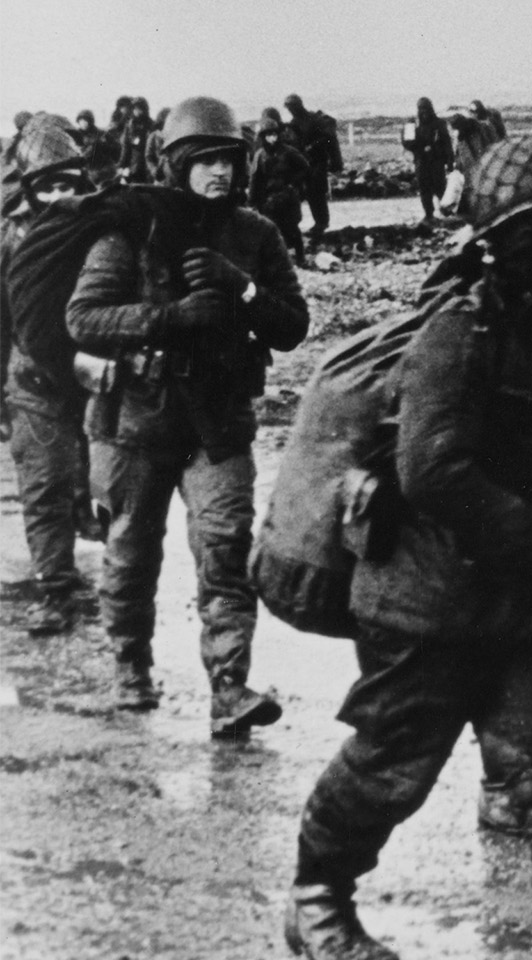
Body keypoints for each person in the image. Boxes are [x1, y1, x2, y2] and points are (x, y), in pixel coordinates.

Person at [287, 136, 532, 960]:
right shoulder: (458, 330)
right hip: (427, 601)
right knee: (390, 767)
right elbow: (432, 470)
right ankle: (318, 904)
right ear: (508, 242)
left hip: (529, 601)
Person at [65, 96, 306, 734]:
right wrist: (165, 318)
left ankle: (229, 689)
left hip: (216, 427)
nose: (218, 173)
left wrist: (241, 286)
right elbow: (82, 317)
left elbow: (293, 327)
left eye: (227, 160)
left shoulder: (256, 234)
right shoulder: (135, 228)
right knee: (130, 553)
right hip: (135, 425)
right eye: (203, 162)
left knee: (226, 552)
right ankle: (130, 672)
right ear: (176, 165)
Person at [1, 115, 99, 635]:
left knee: (101, 480)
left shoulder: (100, 228)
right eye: (49, 186)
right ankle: (55, 589)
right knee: (42, 488)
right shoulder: (9, 237)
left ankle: (86, 517)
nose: (60, 195)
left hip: (94, 377)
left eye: (69, 185)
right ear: (30, 190)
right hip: (33, 380)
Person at [249, 109, 311, 262]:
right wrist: (252, 201)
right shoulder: (259, 156)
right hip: (270, 200)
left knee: (293, 229)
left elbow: (305, 168)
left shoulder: (289, 152)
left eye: (275, 134)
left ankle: (300, 258)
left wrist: (292, 185)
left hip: (288, 197)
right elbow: (255, 179)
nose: (273, 138)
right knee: (271, 231)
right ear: (263, 137)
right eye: (269, 135)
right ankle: (277, 261)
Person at [283, 94, 342, 238]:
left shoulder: (315, 119)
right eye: (289, 108)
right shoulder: (294, 122)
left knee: (317, 191)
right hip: (305, 163)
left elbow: (329, 139)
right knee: (309, 193)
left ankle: (322, 223)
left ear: (299, 105)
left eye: (292, 107)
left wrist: (333, 159)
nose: (291, 110)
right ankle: (318, 223)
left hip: (319, 160)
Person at [400, 98, 452, 221]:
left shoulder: (439, 123)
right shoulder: (412, 124)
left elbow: (447, 143)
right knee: (424, 189)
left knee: (440, 188)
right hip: (421, 160)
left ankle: (446, 213)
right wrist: (421, 148)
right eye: (421, 108)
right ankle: (429, 214)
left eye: (426, 108)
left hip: (436, 160)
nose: (424, 111)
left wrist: (449, 160)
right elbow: (406, 142)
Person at [118, 97, 154, 184]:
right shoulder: (130, 125)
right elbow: (126, 147)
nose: (137, 111)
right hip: (134, 165)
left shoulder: (151, 125)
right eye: (135, 108)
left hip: (147, 165)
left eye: (140, 108)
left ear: (145, 110)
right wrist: (122, 165)